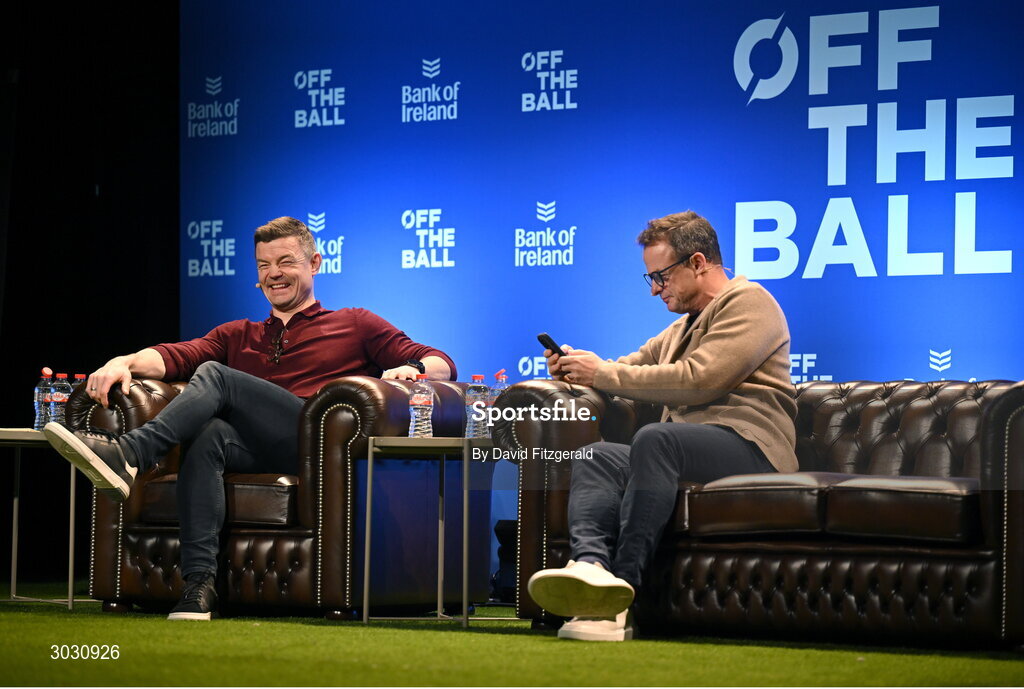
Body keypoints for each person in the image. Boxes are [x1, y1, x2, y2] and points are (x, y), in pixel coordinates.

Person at [43, 216, 456, 621]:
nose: (274, 274)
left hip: (315, 449)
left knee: (215, 376)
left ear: (314, 263)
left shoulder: (354, 323)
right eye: (263, 265)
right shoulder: (237, 334)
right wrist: (123, 361)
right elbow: (173, 356)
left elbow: (443, 364)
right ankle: (198, 586)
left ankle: (130, 453)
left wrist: (415, 370)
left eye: (286, 261)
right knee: (209, 434)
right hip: (257, 449)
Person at [526, 211, 797, 641]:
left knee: (655, 438)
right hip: (682, 449)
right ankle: (591, 569)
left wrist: (602, 374)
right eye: (650, 278)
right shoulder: (678, 329)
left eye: (662, 276)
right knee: (596, 455)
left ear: (698, 262)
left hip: (750, 449)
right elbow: (623, 371)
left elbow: (699, 379)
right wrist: (578, 370)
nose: (655, 289)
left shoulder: (751, 303)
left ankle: (623, 596)